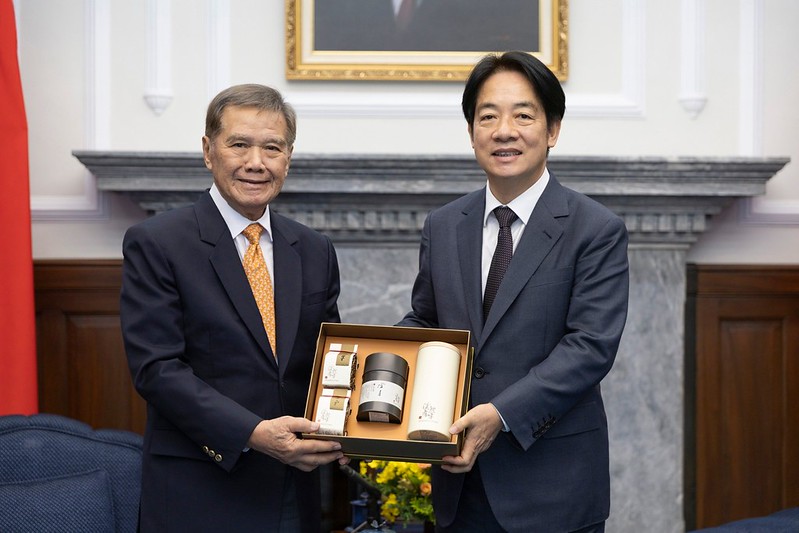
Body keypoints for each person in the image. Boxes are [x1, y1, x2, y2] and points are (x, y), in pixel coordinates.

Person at [398, 51, 630, 532]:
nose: (505, 131)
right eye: (488, 116)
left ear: (553, 130)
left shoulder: (595, 228)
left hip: (551, 487)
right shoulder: (444, 225)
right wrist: (364, 367)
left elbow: (589, 348)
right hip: (457, 484)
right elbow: (424, 322)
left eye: (523, 115)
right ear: (471, 132)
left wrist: (500, 414)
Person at [120, 84, 345, 532]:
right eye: (239, 144)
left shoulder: (314, 249)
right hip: (199, 488)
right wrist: (252, 433)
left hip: (291, 490)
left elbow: (330, 363)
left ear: (288, 158)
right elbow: (157, 368)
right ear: (208, 151)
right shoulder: (159, 242)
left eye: (272, 148)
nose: (256, 162)